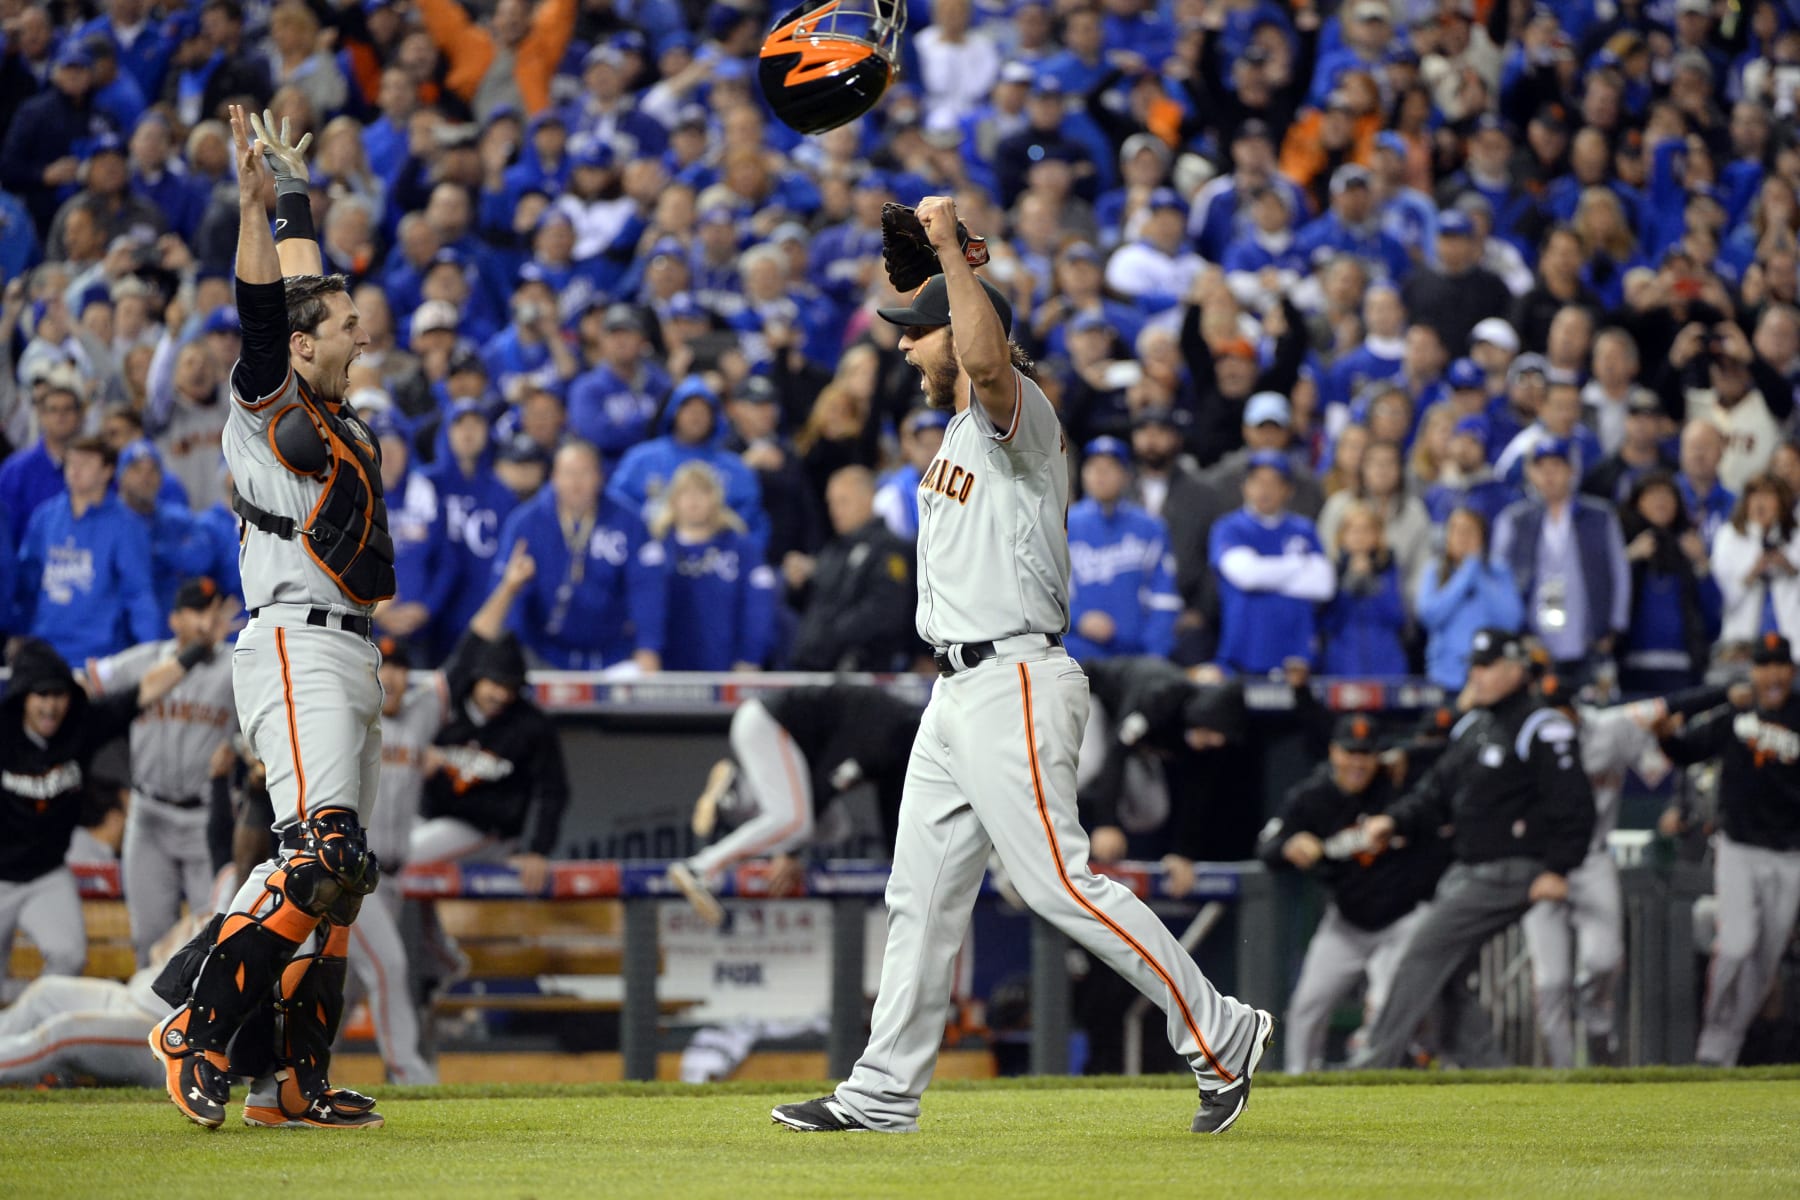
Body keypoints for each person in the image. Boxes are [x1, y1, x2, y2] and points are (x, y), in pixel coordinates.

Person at [771, 198, 1273, 1139]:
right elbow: (958, 348)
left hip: (1018, 678)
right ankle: (883, 1093)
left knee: (1057, 884)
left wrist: (957, 264)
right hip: (954, 690)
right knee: (918, 895)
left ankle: (1221, 1029)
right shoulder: (955, 438)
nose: (905, 352)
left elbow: (987, 358)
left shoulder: (1022, 420)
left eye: (915, 340)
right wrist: (930, 274)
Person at [151, 108, 391, 1132]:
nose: (359, 331)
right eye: (345, 327)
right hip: (292, 641)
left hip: (348, 650)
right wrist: (255, 208)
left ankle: (293, 1081)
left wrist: (294, 195)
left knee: (338, 883)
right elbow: (266, 310)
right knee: (323, 857)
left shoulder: (331, 407)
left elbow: (300, 288)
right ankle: (197, 1027)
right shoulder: (266, 401)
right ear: (305, 345)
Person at [1354, 628, 1596, 1069]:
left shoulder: (1542, 725)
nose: (1477, 676)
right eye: (1474, 667)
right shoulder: (1476, 724)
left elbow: (1575, 804)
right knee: (1444, 975)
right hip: (1468, 868)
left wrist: (1559, 867)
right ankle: (1488, 1070)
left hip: (1512, 866)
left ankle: (1372, 1061)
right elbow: (1435, 790)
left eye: (1486, 667)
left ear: (1514, 669)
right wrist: (1394, 819)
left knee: (1423, 953)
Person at [2, 632, 222, 996]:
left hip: (46, 874)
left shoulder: (80, 725)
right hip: (1, 877)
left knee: (69, 956)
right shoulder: (4, 729)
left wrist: (195, 652)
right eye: (41, 695)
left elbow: (145, 692)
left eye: (58, 694)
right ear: (23, 697)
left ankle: (31, 1029)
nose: (51, 706)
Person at [1257, 714, 1451, 1074]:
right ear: (1333, 752)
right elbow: (1266, 846)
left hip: (1403, 921)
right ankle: (1299, 1086)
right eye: (1349, 752)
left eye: (1366, 753)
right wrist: (1288, 846)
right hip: (1346, 923)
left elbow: (1450, 753)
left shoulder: (1399, 783)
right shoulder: (1312, 797)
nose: (1357, 762)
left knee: (1384, 1005)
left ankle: (1382, 1082)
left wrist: (1406, 755)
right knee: (1305, 1008)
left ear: (1380, 755)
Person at [1655, 632, 1800, 1067]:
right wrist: (1665, 737)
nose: (1771, 673)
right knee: (1736, 946)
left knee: (1765, 959)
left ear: (1790, 673)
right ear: (1753, 672)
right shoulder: (1734, 714)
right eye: (1763, 664)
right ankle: (1712, 1044)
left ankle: (1723, 1047)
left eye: (1779, 665)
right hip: (1738, 848)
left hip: (1790, 854)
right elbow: (1686, 751)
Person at [668, 683, 922, 927]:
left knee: (835, 827)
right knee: (795, 823)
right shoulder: (889, 731)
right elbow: (825, 783)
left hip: (792, 743)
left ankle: (739, 794)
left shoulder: (902, 743)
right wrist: (789, 853)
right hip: (768, 723)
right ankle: (699, 868)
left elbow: (896, 807)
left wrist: (897, 867)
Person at [87, 579, 238, 966]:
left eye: (211, 610)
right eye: (195, 611)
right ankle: (148, 1026)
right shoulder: (144, 661)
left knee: (212, 944)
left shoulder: (237, 668)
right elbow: (88, 686)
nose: (205, 620)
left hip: (205, 823)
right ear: (174, 620)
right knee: (149, 941)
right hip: (149, 816)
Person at [407, 551, 570, 896]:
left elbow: (551, 792)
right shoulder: (447, 704)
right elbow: (472, 643)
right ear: (477, 679)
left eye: (510, 687)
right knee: (386, 845)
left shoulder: (530, 724)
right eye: (494, 683)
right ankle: (433, 949)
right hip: (432, 819)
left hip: (488, 832)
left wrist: (537, 849)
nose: (501, 694)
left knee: (398, 856)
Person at [491, 440, 669, 671]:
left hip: (614, 657)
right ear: (553, 477)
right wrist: (509, 649)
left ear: (600, 477)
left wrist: (649, 648)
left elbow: (647, 589)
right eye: (568, 473)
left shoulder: (630, 522)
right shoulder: (525, 523)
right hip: (542, 652)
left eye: (584, 473)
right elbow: (508, 591)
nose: (575, 483)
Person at [1490, 440, 1632, 681]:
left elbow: (1620, 572)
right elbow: (1499, 579)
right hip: (1532, 637)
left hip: (1587, 633)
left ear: (1571, 470)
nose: (1549, 475)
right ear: (1530, 473)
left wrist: (1615, 625)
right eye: (1541, 468)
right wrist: (1512, 630)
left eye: (1556, 466)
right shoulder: (1515, 520)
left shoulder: (1599, 516)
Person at [1208, 450, 1336, 675]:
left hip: (1297, 658)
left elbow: (1323, 585)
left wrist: (1265, 573)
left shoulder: (1304, 529)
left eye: (1273, 482)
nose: (1264, 490)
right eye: (1257, 481)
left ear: (1288, 490)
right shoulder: (1229, 527)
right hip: (1244, 653)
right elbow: (1248, 576)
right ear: (1245, 487)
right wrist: (1299, 565)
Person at [785, 465, 917, 672]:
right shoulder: (833, 549)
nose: (835, 510)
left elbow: (884, 612)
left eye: (843, 501)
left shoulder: (890, 550)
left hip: (860, 671)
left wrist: (829, 636)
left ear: (868, 499)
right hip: (816, 666)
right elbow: (813, 604)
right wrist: (798, 585)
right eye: (831, 503)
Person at [652, 461, 777, 672]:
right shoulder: (655, 550)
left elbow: (759, 608)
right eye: (685, 493)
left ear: (715, 498)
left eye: (702, 492)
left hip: (727, 668)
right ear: (673, 501)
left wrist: (750, 657)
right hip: (666, 669)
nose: (693, 500)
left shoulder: (742, 550)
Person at [1065, 437, 1180, 663]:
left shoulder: (1150, 527)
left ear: (1126, 476)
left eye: (1109, 468)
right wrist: (1079, 618)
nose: (1101, 475)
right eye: (1094, 468)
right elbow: (1046, 592)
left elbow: (1164, 598)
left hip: (1136, 655)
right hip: (1077, 652)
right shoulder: (1065, 526)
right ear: (1083, 474)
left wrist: (1155, 653)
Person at [1617, 472, 1720, 693]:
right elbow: (1607, 601)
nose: (1660, 502)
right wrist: (1628, 558)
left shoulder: (1691, 547)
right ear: (1637, 502)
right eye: (1652, 495)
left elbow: (1713, 616)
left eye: (1667, 496)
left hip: (1683, 668)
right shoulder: (1621, 543)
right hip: (1632, 668)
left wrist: (1701, 563)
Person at [1414, 508, 1525, 690]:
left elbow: (1512, 620)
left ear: (1482, 537)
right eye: (1456, 531)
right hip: (1445, 677)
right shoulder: (1435, 571)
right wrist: (1466, 574)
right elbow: (1429, 615)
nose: (1462, 538)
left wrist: (1477, 572)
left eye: (1469, 531)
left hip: (1491, 679)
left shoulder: (1499, 571)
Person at [1710, 474, 1800, 651]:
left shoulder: (1796, 536)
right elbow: (1718, 599)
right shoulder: (1729, 537)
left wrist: (1790, 568)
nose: (1760, 504)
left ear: (1782, 502)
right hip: (1742, 645)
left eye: (1768, 496)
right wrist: (1751, 574)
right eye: (1754, 496)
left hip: (1792, 643)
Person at [1318, 503, 1408, 678]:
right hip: (1342, 664)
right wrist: (1349, 582)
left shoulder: (1388, 570)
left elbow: (1396, 617)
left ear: (1377, 536)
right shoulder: (1331, 572)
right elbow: (1329, 622)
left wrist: (1372, 581)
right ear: (1342, 537)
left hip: (1385, 664)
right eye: (1353, 531)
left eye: (1366, 530)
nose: (1359, 537)